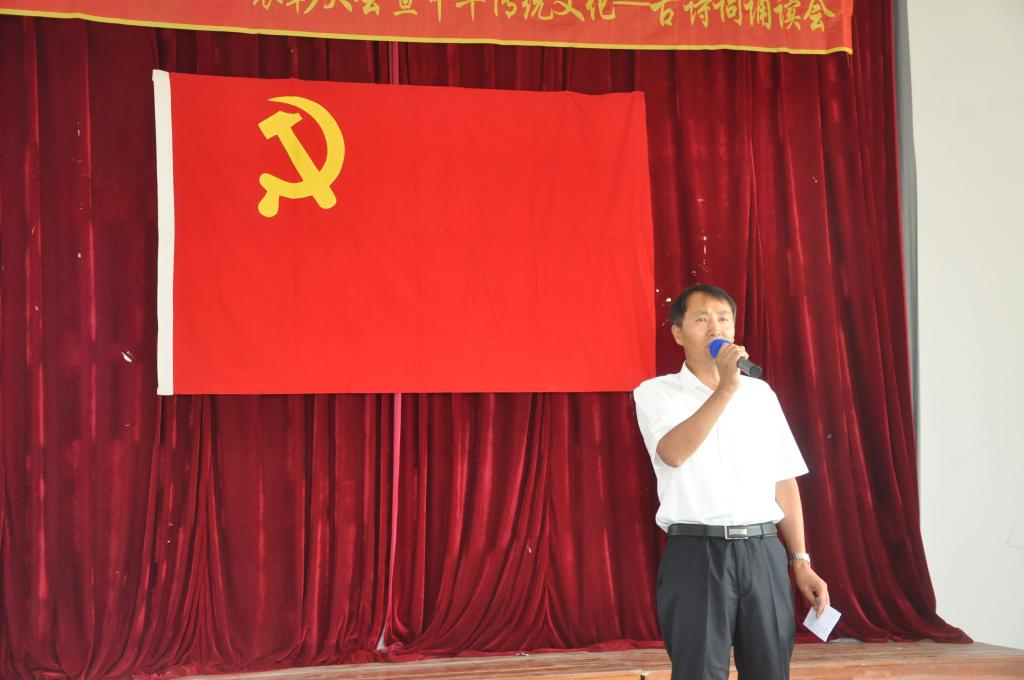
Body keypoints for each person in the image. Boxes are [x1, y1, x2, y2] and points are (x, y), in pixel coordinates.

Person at [633, 284, 828, 680]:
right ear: (677, 333)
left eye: (724, 319)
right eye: (702, 319)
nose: (715, 327)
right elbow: (673, 453)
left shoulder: (761, 395)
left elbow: (783, 480)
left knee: (770, 670)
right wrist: (725, 388)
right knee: (699, 672)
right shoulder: (656, 393)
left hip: (762, 551)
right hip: (697, 554)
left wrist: (801, 560)